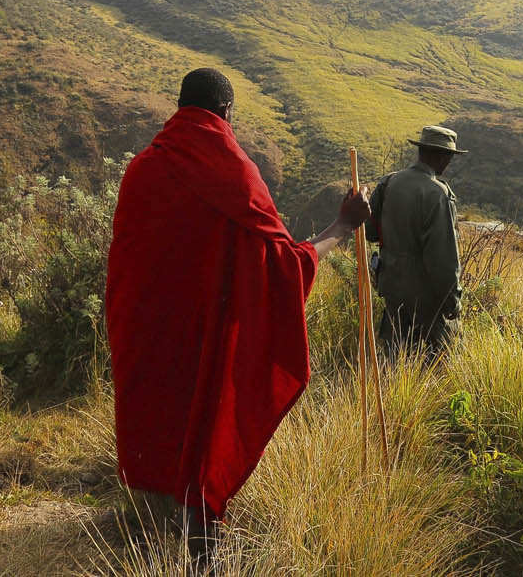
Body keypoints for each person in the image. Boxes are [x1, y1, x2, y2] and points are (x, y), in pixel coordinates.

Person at [105, 67, 369, 558]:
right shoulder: (236, 173)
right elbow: (285, 267)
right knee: (205, 413)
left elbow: (126, 265)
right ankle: (200, 540)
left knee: (164, 421)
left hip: (150, 333)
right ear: (226, 113)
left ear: (180, 109)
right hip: (205, 335)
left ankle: (155, 528)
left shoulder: (143, 168)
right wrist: (341, 225)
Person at [366, 125, 466, 352]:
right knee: (442, 365)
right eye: (449, 156)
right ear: (443, 156)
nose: (449, 162)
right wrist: (452, 301)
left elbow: (370, 232)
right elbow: (443, 260)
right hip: (427, 297)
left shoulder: (388, 182)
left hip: (391, 287)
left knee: (396, 361)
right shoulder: (438, 194)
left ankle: (392, 389)